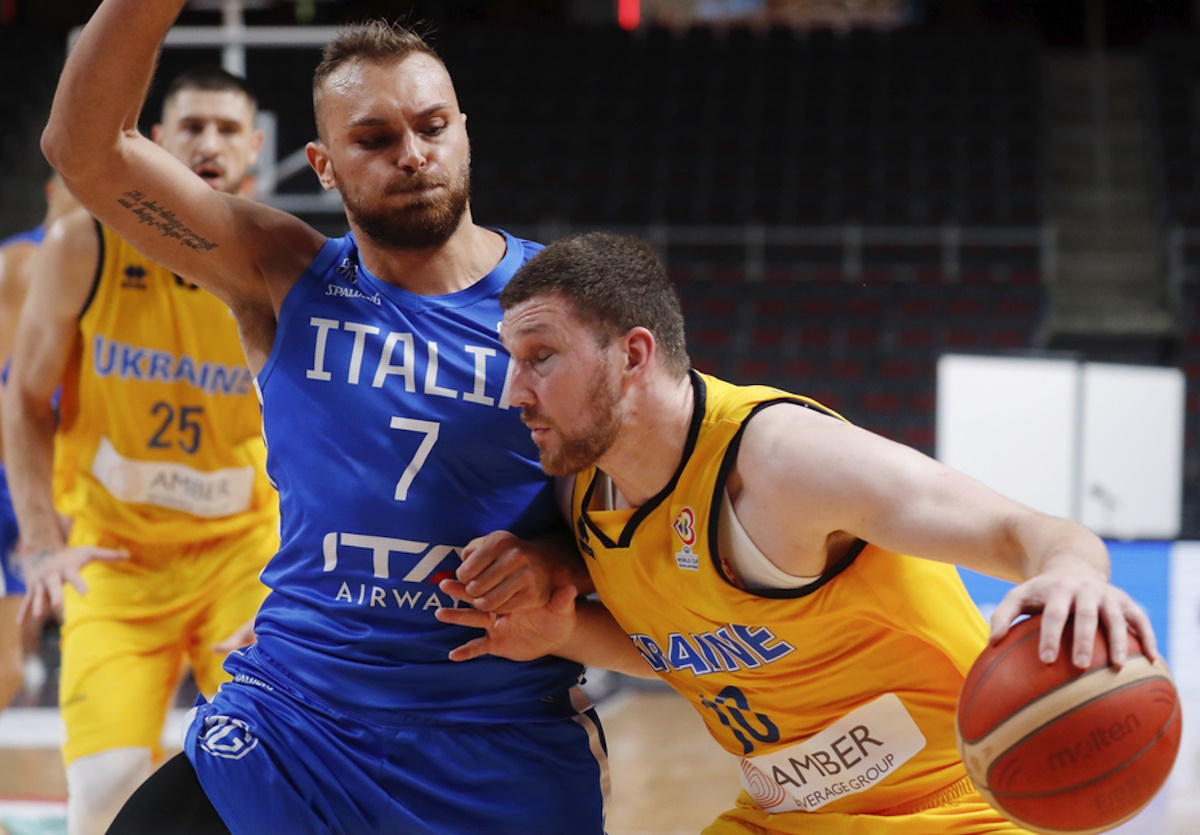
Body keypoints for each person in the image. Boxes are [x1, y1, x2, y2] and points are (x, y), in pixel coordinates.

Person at [40, 2, 609, 833]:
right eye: (374, 139)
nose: (413, 154)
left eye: (432, 126)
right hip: (294, 723)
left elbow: (649, 518)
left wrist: (563, 558)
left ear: (464, 132)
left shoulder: (560, 305)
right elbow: (84, 152)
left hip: (496, 736)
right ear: (323, 164)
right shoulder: (284, 273)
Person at [436, 230, 1160, 835]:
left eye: (539, 357)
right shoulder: (582, 489)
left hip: (952, 804)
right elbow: (692, 650)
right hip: (782, 813)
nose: (513, 390)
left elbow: (1025, 531)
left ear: (632, 354)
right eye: (511, 360)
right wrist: (558, 633)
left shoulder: (783, 463)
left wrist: (1072, 572)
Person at [4, 67, 280, 835]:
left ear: (255, 149)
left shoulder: (275, 260)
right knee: (102, 794)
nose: (209, 143)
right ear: (156, 142)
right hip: (117, 561)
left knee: (274, 772)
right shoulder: (82, 245)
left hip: (241, 557)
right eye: (192, 126)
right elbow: (23, 401)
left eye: (228, 129)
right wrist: (37, 541)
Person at [0, 174, 79, 711]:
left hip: (42, 474)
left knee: (15, 654)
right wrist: (35, 512)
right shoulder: (24, 262)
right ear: (52, 191)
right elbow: (10, 395)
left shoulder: (94, 269)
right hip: (15, 477)